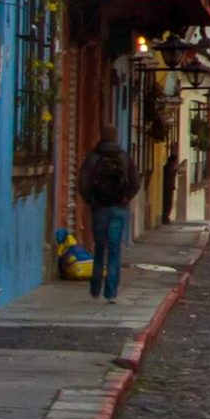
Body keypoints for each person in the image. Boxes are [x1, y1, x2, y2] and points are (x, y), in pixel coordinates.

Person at [75, 128, 140, 303]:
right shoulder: (125, 158)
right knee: (114, 249)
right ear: (116, 137)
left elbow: (83, 183)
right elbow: (135, 182)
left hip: (100, 209)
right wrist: (125, 199)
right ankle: (111, 292)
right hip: (119, 209)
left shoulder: (93, 157)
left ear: (102, 136)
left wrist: (92, 201)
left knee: (99, 248)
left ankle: (95, 287)